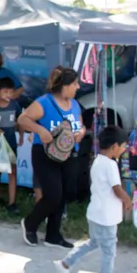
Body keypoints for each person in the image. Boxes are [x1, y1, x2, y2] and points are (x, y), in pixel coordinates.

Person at [54, 126, 131, 273]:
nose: (125, 149)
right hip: (106, 217)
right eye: (123, 146)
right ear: (114, 146)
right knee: (109, 251)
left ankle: (65, 263)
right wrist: (127, 199)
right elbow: (117, 189)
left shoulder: (97, 160)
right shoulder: (111, 165)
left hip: (95, 213)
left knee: (94, 243)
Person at [18, 66, 85, 249]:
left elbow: (80, 125)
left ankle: (53, 236)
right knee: (53, 195)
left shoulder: (75, 105)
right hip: (45, 154)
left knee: (63, 195)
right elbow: (23, 119)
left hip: (69, 154)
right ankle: (30, 224)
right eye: (75, 83)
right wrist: (40, 130)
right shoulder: (44, 102)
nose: (78, 87)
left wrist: (80, 133)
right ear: (64, 85)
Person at [0, 76, 23, 213]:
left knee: (12, 171)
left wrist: (21, 135)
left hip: (11, 143)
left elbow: (20, 120)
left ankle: (12, 202)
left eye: (10, 92)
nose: (8, 95)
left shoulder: (15, 105)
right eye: (5, 92)